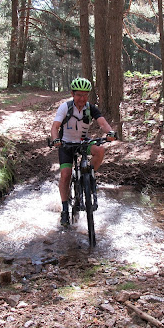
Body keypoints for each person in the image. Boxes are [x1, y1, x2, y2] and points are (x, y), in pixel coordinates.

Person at [51, 77, 116, 226]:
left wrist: (110, 133)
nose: (82, 98)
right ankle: (65, 209)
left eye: (85, 95)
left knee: (99, 150)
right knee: (66, 174)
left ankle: (88, 176)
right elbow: (55, 127)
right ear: (73, 94)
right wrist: (56, 140)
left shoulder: (90, 108)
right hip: (66, 144)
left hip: (82, 142)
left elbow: (103, 123)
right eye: (79, 94)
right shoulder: (65, 107)